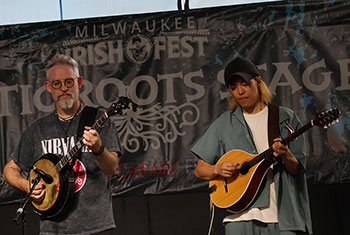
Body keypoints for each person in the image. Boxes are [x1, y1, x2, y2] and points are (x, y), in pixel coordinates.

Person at [191, 58, 312, 234]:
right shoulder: (224, 123)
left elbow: (297, 169)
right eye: (233, 87)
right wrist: (218, 169)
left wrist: (286, 155)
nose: (240, 91)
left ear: (259, 82)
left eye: (245, 84)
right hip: (239, 218)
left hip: (283, 217)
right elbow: (200, 170)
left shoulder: (284, 117)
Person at [3, 54, 121, 235]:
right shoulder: (37, 130)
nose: (64, 88)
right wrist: (27, 186)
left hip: (97, 228)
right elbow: (10, 170)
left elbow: (111, 168)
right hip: (53, 229)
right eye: (57, 84)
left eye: (69, 82)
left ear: (79, 82)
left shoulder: (99, 120)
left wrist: (99, 149)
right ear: (48, 87)